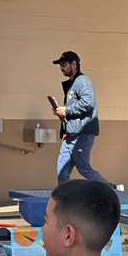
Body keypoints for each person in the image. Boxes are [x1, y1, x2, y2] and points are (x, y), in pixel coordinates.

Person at [51, 51, 108, 186]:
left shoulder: (82, 81)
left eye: (64, 64)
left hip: (83, 133)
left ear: (74, 64)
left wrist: (67, 110)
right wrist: (62, 112)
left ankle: (110, 189)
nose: (62, 68)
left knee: (83, 168)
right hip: (70, 134)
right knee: (62, 171)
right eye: (60, 65)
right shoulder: (71, 84)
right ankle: (64, 198)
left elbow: (88, 102)